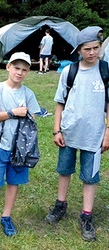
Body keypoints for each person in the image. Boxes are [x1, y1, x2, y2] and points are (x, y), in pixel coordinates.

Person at [45, 26, 109, 242]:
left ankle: (86, 216)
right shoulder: (69, 72)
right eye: (87, 49)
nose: (92, 53)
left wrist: (108, 131)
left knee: (90, 177)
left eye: (96, 48)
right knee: (65, 170)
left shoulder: (105, 71)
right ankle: (60, 205)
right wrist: (57, 129)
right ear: (79, 50)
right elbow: (59, 104)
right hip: (69, 132)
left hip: (95, 135)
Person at [0, 52, 40, 239]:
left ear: (27, 72)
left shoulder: (28, 93)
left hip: (19, 149)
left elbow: (32, 119)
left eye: (24, 69)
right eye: (16, 68)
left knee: (13, 184)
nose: (19, 72)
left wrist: (28, 117)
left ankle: (6, 216)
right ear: (8, 67)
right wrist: (13, 112)